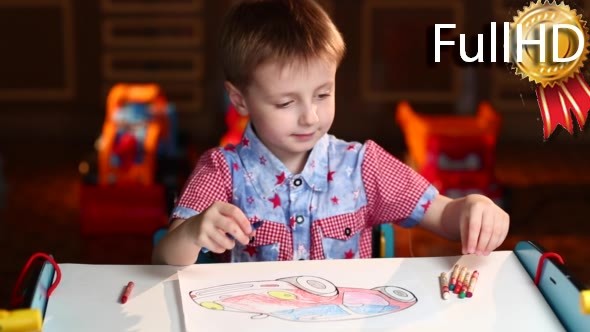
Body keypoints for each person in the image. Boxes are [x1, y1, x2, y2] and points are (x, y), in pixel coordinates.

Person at [152, 0, 509, 265]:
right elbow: (163, 257)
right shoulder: (222, 170)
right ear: (239, 100)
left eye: (323, 94)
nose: (310, 117)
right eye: (285, 103)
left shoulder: (363, 166)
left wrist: (474, 208)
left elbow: (445, 215)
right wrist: (192, 231)